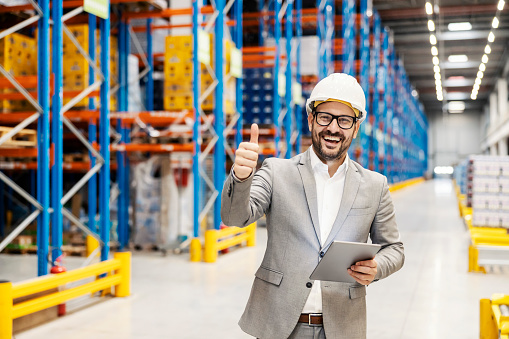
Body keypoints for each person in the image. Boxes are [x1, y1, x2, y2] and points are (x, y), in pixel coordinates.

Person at [221, 73, 404, 339]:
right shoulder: (276, 171)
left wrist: (377, 268)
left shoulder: (375, 185)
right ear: (311, 119)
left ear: (356, 127)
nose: (333, 128)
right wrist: (241, 176)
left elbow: (394, 249)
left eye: (344, 120)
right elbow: (234, 217)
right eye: (325, 117)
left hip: (342, 326)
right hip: (279, 325)